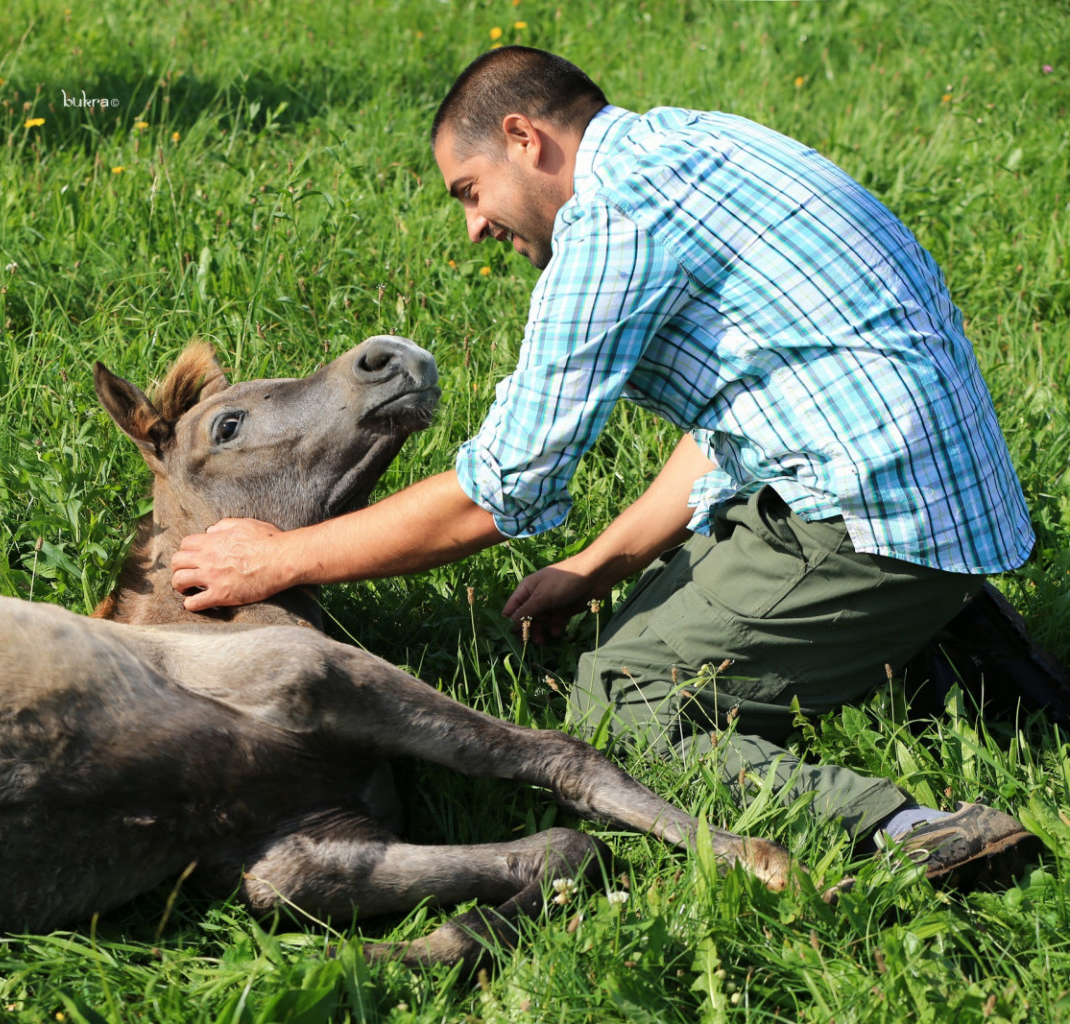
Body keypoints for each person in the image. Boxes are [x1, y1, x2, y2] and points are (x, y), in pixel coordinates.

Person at [169, 46, 1042, 888]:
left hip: (871, 521)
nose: (473, 226)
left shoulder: (612, 225)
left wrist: (277, 560)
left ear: (524, 138)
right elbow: (730, 419)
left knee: (621, 704)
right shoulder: (697, 143)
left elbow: (498, 491)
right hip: (932, 499)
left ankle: (907, 824)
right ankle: (939, 647)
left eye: (469, 192)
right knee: (640, 628)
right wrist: (596, 565)